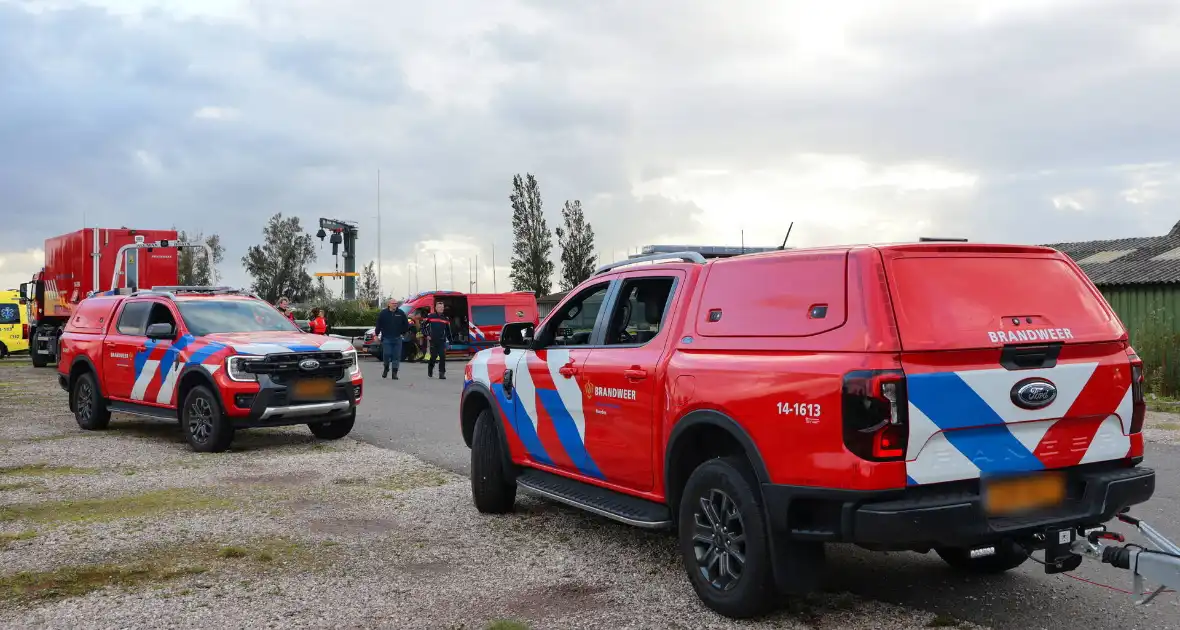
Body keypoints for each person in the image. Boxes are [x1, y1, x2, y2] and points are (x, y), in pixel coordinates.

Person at [374, 298, 410, 379]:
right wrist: (376, 334)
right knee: (386, 354)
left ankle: (394, 373)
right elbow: (378, 324)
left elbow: (406, 324)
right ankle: (386, 368)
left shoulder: (401, 313)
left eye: (396, 303)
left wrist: (403, 333)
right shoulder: (383, 313)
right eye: (393, 303)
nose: (395, 305)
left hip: (398, 338)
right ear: (389, 304)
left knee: (396, 356)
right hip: (387, 338)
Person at [423, 302, 450, 379]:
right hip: (433, 340)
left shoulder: (445, 318)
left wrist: (450, 341)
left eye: (442, 307)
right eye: (439, 307)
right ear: (436, 308)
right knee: (433, 357)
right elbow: (423, 326)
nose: (441, 309)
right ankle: (430, 368)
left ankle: (442, 373)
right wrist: (427, 335)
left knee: (442, 357)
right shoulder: (431, 316)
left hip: (442, 341)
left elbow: (448, 331)